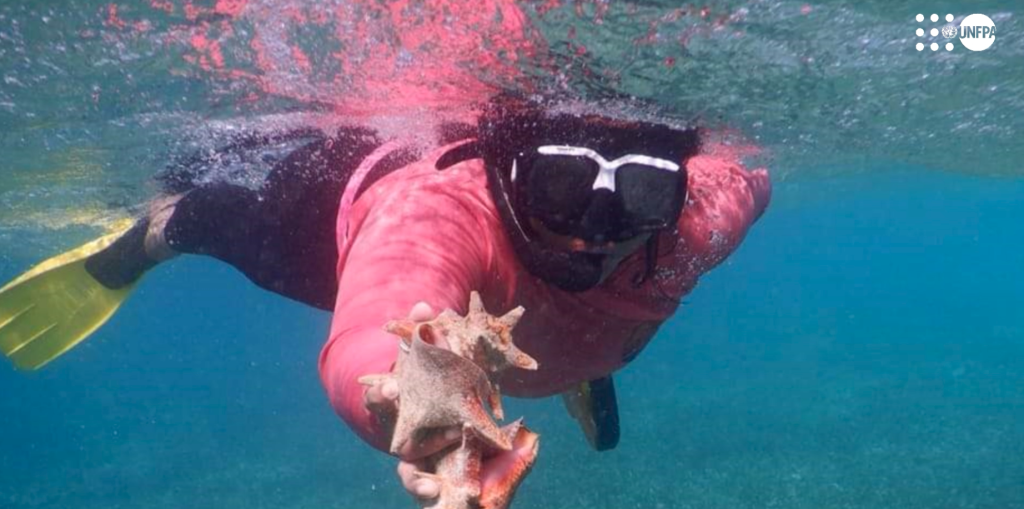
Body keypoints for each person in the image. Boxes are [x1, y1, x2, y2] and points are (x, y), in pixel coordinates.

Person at [0, 94, 771, 502]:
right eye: (560, 187)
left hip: (554, 337)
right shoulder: (436, 217)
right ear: (507, 173)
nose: (595, 233)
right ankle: (150, 234)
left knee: (586, 322)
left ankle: (573, 362)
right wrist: (429, 416)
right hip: (350, 201)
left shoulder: (697, 220)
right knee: (225, 217)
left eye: (639, 193)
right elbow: (374, 335)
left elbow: (748, 179)